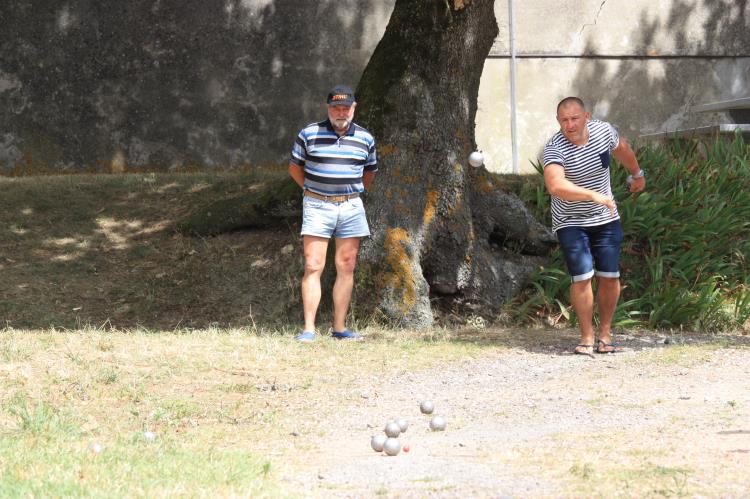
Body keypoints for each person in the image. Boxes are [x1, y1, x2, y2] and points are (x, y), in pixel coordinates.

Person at [542, 96, 645, 356]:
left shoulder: (603, 132)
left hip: (605, 218)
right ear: (558, 122)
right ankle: (586, 335)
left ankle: (606, 333)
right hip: (570, 221)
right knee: (582, 276)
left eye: (575, 118)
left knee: (609, 276)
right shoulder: (554, 148)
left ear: (586, 117)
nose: (570, 124)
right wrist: (592, 195)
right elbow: (555, 186)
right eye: (564, 120)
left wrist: (637, 174)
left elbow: (622, 149)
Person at [288, 85, 377, 342]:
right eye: (336, 108)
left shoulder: (365, 138)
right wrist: (312, 190)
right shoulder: (309, 134)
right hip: (317, 205)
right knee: (312, 265)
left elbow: (369, 173)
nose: (341, 113)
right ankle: (308, 330)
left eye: (345, 108)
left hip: (351, 206)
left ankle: (339, 328)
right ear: (328, 109)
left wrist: (349, 192)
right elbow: (295, 168)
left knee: (347, 266)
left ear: (353, 108)